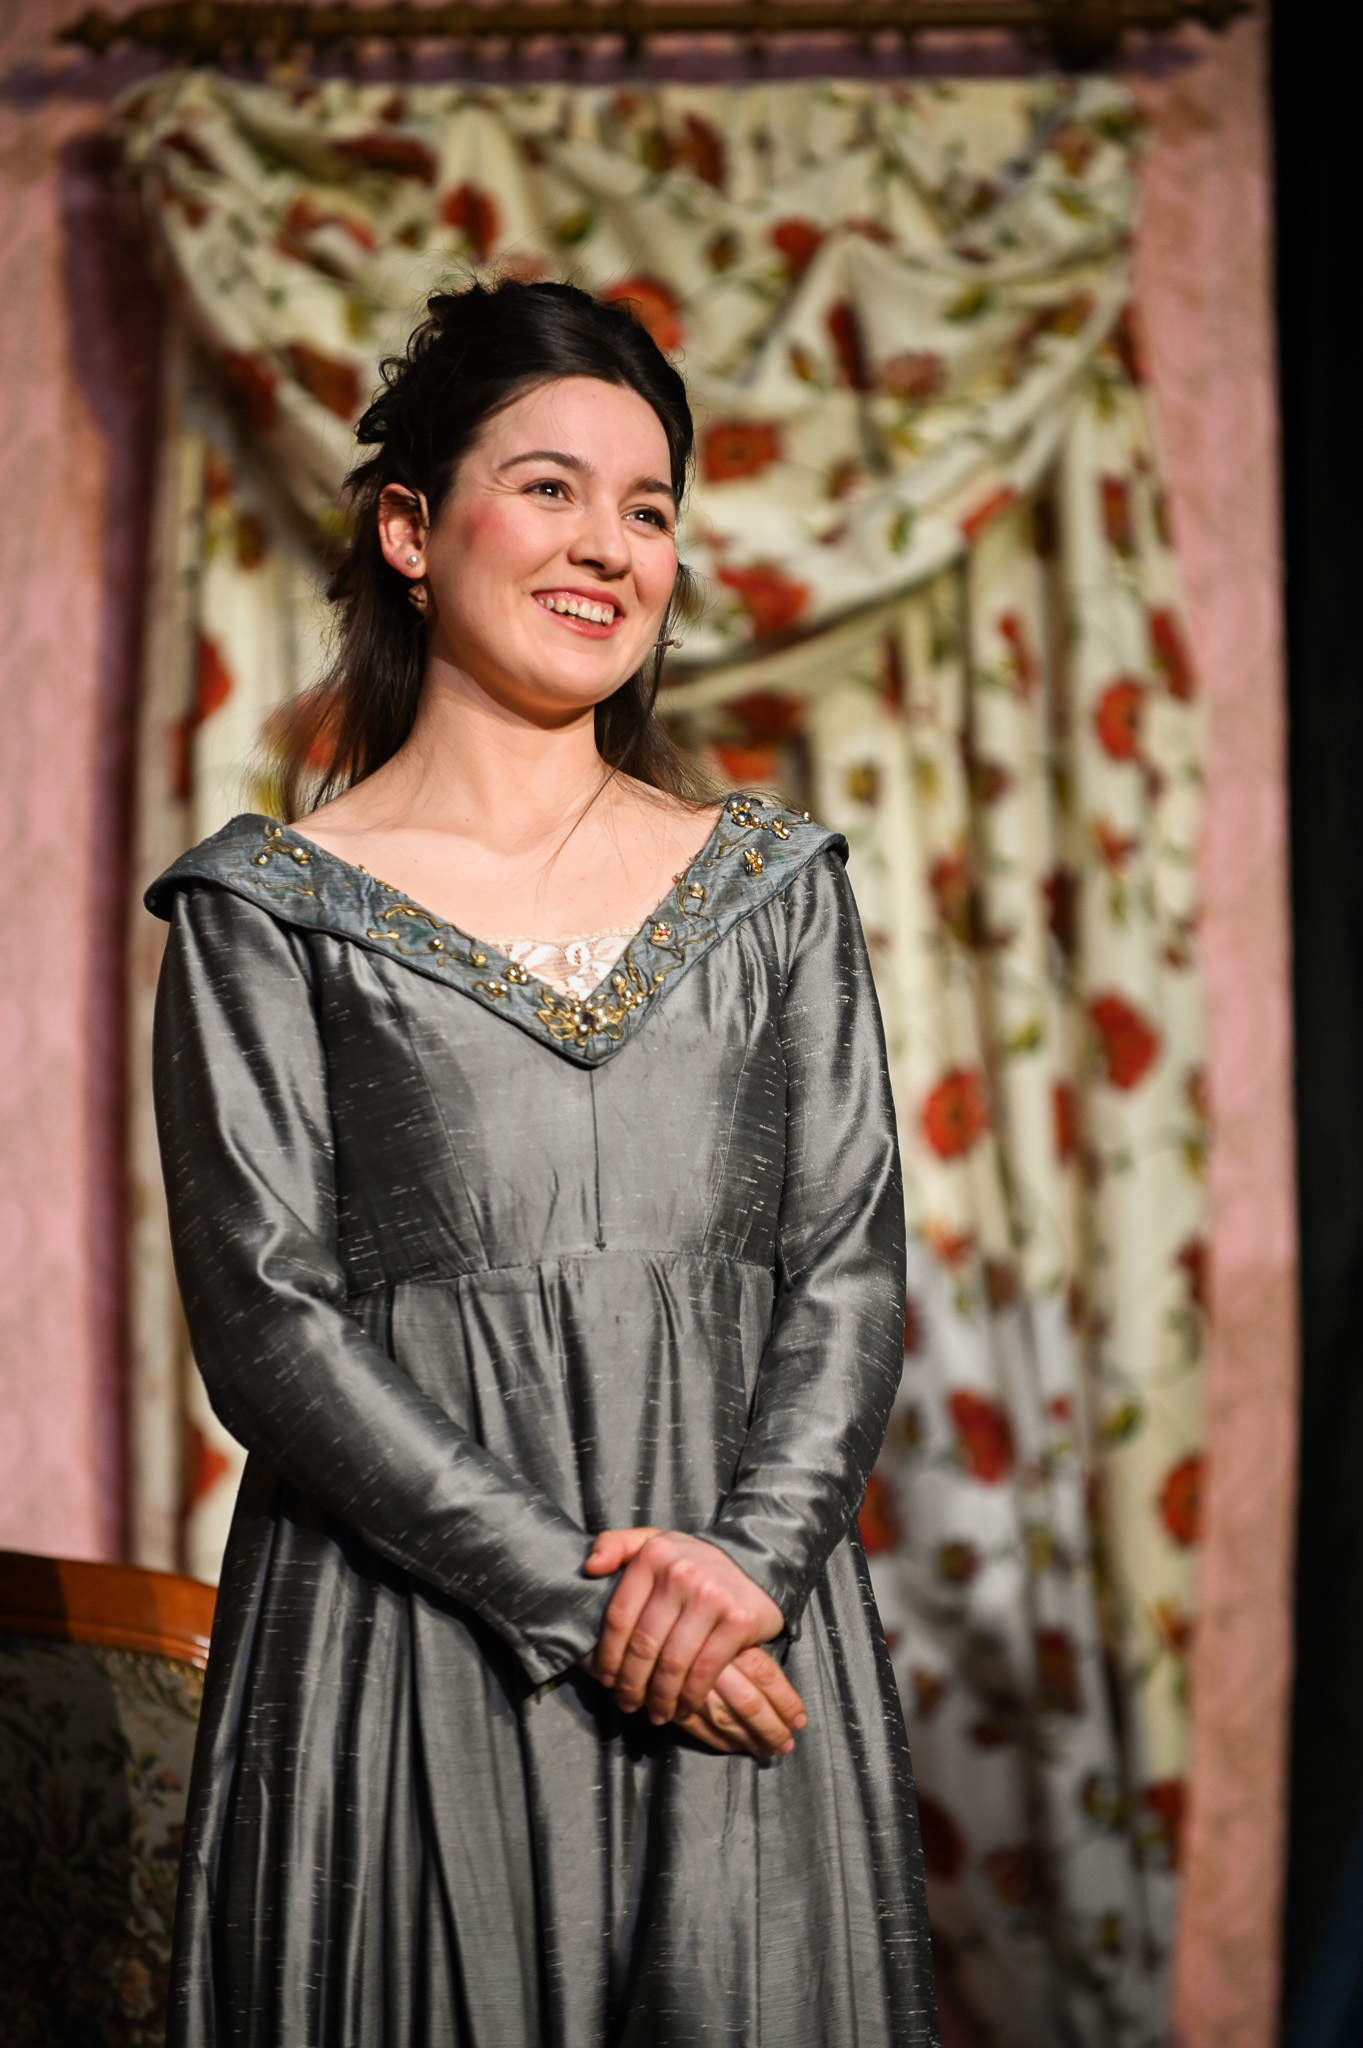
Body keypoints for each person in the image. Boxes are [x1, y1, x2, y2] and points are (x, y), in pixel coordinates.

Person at [149, 278, 937, 2047]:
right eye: (551, 487)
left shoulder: (775, 888)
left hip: (745, 1638)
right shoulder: (263, 910)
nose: (609, 547)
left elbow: (848, 1271)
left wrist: (741, 1578)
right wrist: (592, 1612)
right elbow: (267, 1326)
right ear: (411, 530)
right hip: (409, 1655)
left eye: (649, 509)